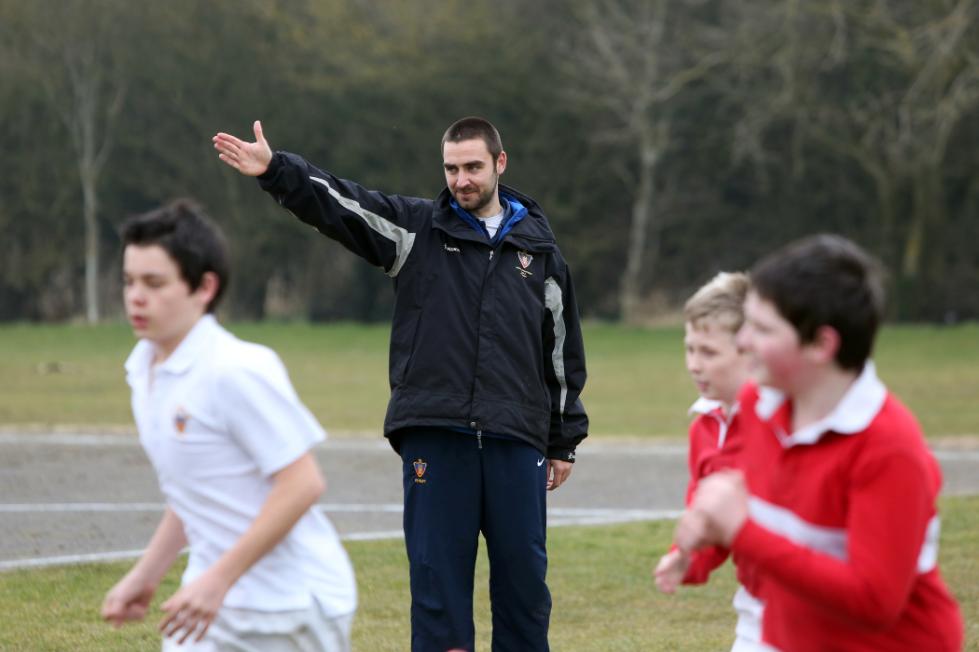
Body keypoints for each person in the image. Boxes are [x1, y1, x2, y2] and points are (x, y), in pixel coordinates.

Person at [212, 117, 588, 651]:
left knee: (525, 593)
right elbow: (341, 206)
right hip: (435, 436)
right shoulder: (418, 231)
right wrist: (277, 171)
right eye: (452, 168)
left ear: (500, 164)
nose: (462, 180)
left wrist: (562, 437)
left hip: (515, 439)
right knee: (438, 591)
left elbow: (561, 351)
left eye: (474, 167)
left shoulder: (540, 252)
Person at [674, 235, 963, 651]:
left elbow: (873, 601)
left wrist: (741, 529)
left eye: (762, 329)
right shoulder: (757, 407)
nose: (742, 342)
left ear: (822, 345)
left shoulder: (889, 448)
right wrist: (703, 533)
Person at [101, 199, 357, 651]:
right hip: (211, 596)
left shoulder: (235, 369)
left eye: (154, 283)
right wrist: (146, 575)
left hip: (291, 605)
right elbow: (194, 491)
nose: (136, 296)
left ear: (204, 287)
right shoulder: (143, 370)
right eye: (129, 281)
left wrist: (219, 579)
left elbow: (302, 484)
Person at [653, 271, 766, 650]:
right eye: (690, 349)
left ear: (751, 348)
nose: (694, 365)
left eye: (709, 352)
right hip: (756, 612)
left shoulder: (789, 421)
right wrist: (684, 557)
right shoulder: (704, 426)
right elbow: (709, 522)